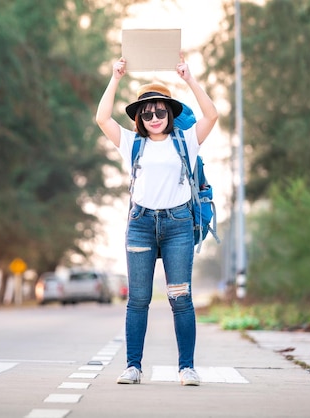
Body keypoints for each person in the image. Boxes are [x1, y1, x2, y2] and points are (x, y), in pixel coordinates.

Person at [95, 54, 218, 386]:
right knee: (138, 299)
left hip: (178, 225)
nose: (153, 116)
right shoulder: (132, 143)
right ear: (139, 117)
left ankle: (186, 367)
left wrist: (189, 78)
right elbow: (102, 117)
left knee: (180, 297)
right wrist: (116, 77)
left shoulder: (187, 140)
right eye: (146, 112)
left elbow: (212, 114)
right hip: (141, 225)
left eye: (160, 110)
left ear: (170, 113)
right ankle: (133, 366)